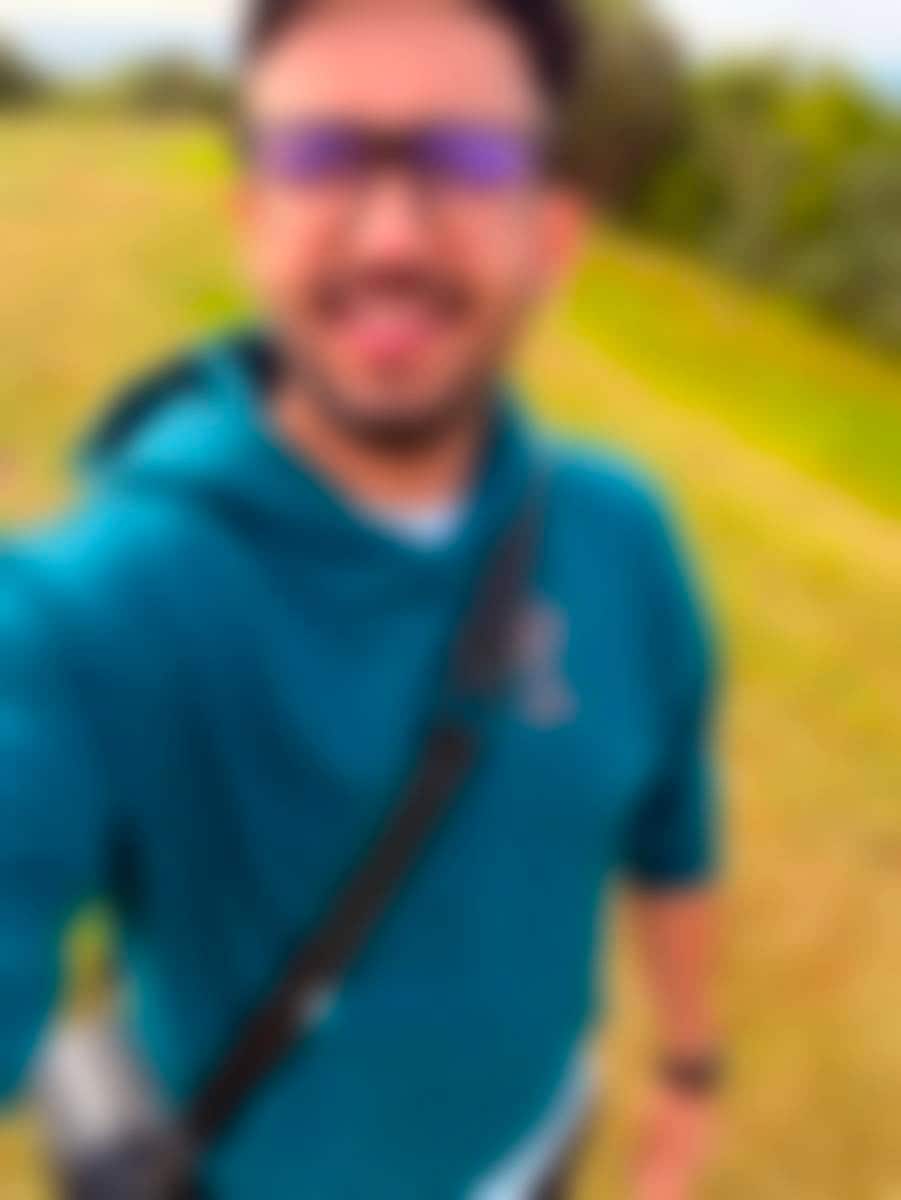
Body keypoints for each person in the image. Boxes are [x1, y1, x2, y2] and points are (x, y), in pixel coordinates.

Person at [0, 2, 722, 1197]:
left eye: (468, 158)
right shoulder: (94, 613)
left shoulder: (623, 536)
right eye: (320, 155)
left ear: (550, 233)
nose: (390, 235)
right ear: (250, 217)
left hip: (537, 1151)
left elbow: (671, 825)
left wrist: (690, 1069)